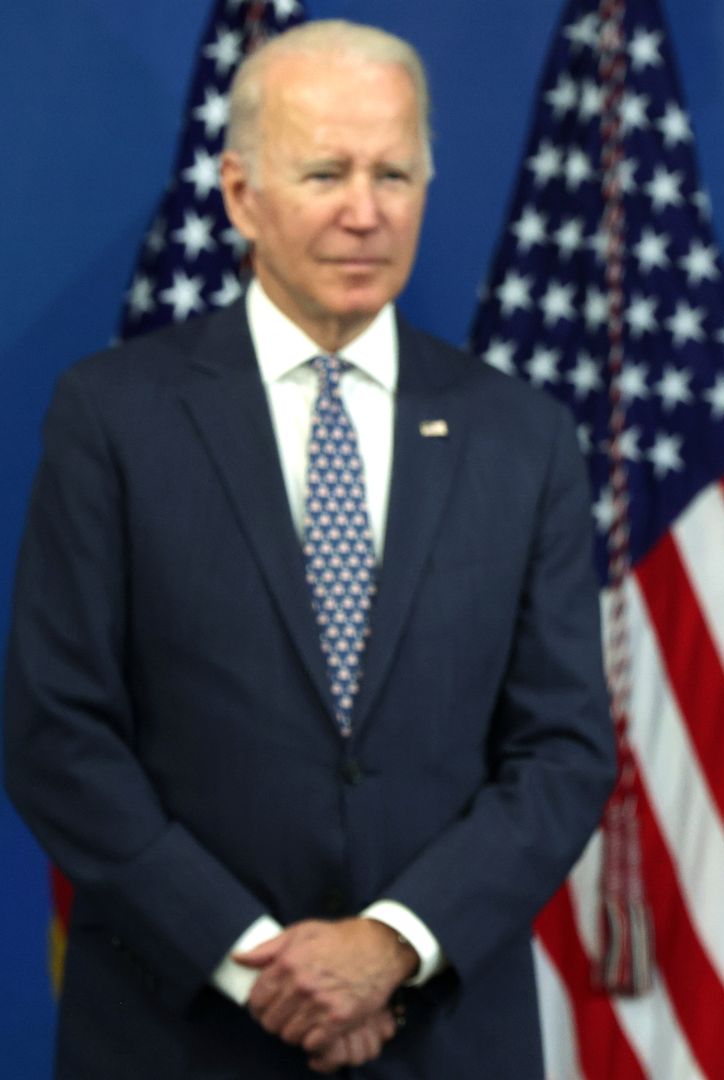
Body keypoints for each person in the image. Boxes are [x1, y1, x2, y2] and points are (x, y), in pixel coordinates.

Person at [4, 20, 615, 1076]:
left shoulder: (523, 435)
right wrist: (258, 966)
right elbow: (58, 732)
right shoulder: (113, 416)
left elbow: (561, 750)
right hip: (178, 1030)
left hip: (440, 1036)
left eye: (395, 173)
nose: (365, 212)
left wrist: (391, 945)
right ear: (241, 195)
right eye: (326, 171)